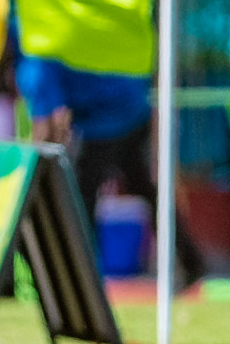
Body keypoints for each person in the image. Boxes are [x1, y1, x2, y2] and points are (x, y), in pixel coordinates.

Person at [15, 53, 207, 286]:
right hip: (126, 111)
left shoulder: (37, 59)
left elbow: (48, 122)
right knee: (146, 191)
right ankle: (191, 263)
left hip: (104, 121)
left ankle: (84, 275)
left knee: (82, 201)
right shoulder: (47, 54)